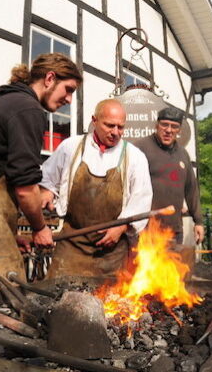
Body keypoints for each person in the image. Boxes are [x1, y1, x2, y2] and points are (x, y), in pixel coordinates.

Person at [0, 53, 82, 293]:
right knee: (2, 301)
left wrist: (9, 233)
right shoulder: (27, 109)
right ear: (50, 78)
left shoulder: (13, 103)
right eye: (68, 89)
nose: (70, 100)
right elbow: (25, 187)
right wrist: (40, 228)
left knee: (7, 297)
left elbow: (4, 172)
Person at [40, 99, 153, 277]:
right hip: (72, 244)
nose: (116, 132)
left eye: (120, 127)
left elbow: (141, 199)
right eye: (109, 125)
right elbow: (47, 177)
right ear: (94, 121)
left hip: (112, 250)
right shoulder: (71, 147)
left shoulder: (134, 157)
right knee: (59, 297)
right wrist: (47, 190)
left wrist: (122, 227)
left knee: (113, 302)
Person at [134, 107, 204, 245]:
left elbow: (191, 190)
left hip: (174, 231)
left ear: (179, 130)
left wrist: (199, 221)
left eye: (174, 126)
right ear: (156, 125)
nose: (169, 130)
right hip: (146, 230)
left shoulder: (183, 154)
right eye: (164, 124)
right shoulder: (140, 148)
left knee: (173, 267)